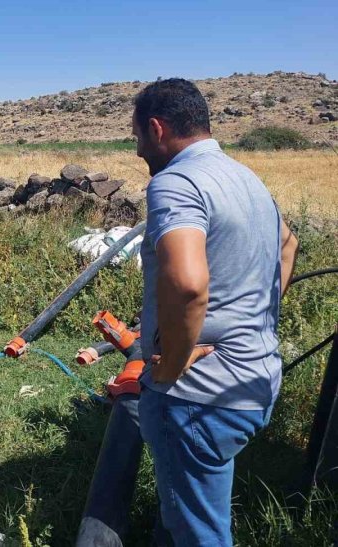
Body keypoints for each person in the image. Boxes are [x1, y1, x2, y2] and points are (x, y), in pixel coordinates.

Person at [133, 78, 298, 546]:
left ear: (157, 129)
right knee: (191, 514)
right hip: (255, 382)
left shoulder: (176, 182)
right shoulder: (246, 177)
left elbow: (187, 284)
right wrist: (250, 320)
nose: (139, 152)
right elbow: (288, 246)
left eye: (138, 139)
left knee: (201, 535)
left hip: (198, 399)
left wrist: (176, 359)